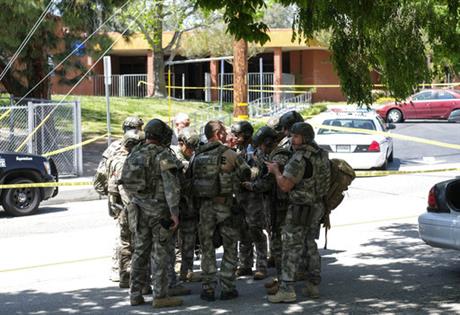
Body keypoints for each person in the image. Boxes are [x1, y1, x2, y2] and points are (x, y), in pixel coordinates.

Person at [121, 118, 183, 308]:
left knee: (140, 251)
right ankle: (160, 295)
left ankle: (135, 294)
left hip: (138, 210)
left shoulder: (134, 154)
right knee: (160, 253)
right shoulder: (162, 155)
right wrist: (174, 213)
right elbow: (170, 186)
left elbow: (125, 181)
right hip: (159, 212)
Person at [266, 122, 331, 303]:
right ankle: (313, 284)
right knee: (310, 245)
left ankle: (287, 289)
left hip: (300, 208)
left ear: (306, 138)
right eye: (292, 136)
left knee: (290, 247)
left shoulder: (299, 158)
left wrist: (276, 171)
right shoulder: (322, 154)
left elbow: (285, 185)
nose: (292, 140)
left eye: (296, 137)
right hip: (317, 206)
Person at [191, 120, 251, 301]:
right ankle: (227, 287)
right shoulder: (229, 154)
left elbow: (189, 179)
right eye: (224, 132)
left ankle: (208, 288)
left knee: (207, 248)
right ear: (218, 134)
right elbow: (247, 173)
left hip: (204, 208)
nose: (228, 135)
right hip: (225, 207)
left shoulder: (197, 155)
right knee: (230, 247)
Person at [93, 116, 143, 282]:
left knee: (122, 235)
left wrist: (107, 192)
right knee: (130, 237)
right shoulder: (137, 146)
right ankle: (127, 272)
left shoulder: (113, 148)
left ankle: (119, 270)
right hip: (129, 198)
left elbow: (101, 175)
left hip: (116, 198)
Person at [243, 126, 292, 293]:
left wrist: (251, 186)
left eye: (261, 145)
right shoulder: (268, 154)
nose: (259, 149)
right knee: (277, 243)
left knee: (280, 246)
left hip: (282, 206)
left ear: (268, 142)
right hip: (273, 205)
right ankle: (282, 279)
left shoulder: (280, 155)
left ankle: (285, 284)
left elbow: (268, 181)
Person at [106, 129, 145, 288]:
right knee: (135, 245)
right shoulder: (127, 162)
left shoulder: (113, 159)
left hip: (119, 208)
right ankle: (134, 279)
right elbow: (129, 191)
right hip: (130, 208)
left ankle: (124, 276)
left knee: (125, 244)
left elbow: (102, 183)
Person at [231, 121, 268, 280]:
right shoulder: (237, 150)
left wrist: (247, 179)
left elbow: (256, 173)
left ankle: (261, 265)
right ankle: (245, 264)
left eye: (237, 134)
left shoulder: (256, 151)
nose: (235, 137)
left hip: (253, 197)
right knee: (242, 231)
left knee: (255, 230)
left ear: (246, 134)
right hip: (240, 196)